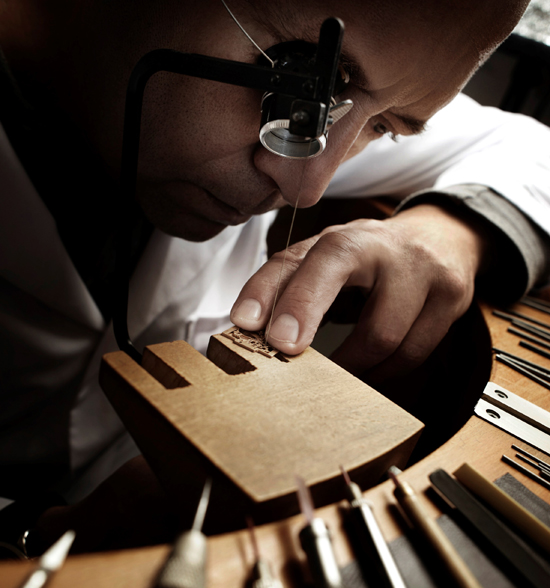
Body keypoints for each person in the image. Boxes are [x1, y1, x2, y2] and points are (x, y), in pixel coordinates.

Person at [1, 0, 549, 552]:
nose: (303, 187)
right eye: (301, 75)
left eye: (382, 126)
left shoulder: (348, 96)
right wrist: (41, 535)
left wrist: (446, 232)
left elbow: (534, 149)